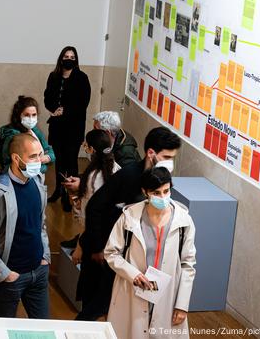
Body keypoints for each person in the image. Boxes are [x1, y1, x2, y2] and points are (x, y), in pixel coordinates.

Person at [66, 126, 181, 321]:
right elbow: (95, 208)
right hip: (105, 253)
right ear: (151, 153)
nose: (170, 163)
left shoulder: (162, 182)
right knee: (95, 306)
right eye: (167, 157)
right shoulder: (127, 176)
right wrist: (97, 248)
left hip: (133, 260)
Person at [104, 167, 196, 339]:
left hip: (168, 295)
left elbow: (188, 264)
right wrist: (133, 274)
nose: (163, 197)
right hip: (134, 291)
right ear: (145, 192)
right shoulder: (129, 217)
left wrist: (182, 304)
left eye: (166, 191)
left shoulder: (184, 221)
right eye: (156, 193)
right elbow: (111, 253)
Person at [0, 133, 51, 318]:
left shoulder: (38, 182)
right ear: (16, 158)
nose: (39, 161)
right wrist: (4, 274)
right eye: (33, 156)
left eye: (40, 155)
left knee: (43, 331)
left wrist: (45, 257)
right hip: (10, 278)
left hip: (38, 272)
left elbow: (41, 224)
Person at [44, 46, 91, 212]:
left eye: (72, 57)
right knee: (59, 161)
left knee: (71, 162)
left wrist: (65, 110)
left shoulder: (82, 78)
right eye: (66, 56)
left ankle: (69, 194)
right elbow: (47, 97)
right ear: (61, 58)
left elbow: (83, 102)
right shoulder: (53, 76)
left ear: (76, 60)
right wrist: (54, 108)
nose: (69, 59)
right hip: (57, 126)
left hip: (73, 127)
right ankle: (58, 189)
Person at [65, 129, 121, 260]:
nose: (85, 148)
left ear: (92, 149)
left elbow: (89, 215)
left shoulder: (93, 177)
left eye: (86, 145)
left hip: (95, 239)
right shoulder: (116, 168)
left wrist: (80, 246)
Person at [0, 95, 54, 174]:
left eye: (34, 115)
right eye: (26, 115)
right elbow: (14, 166)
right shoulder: (12, 136)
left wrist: (48, 157)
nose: (31, 119)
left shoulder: (34, 130)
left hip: (36, 180)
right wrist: (43, 165)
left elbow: (49, 150)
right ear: (18, 116)